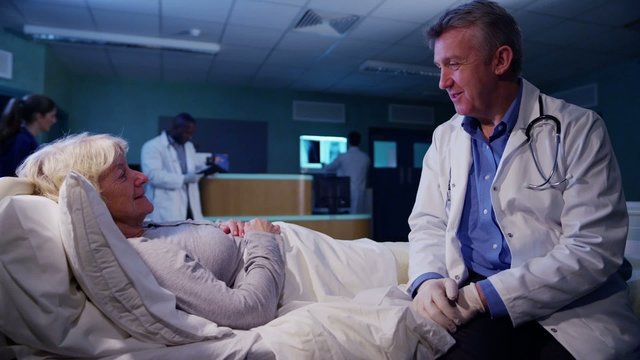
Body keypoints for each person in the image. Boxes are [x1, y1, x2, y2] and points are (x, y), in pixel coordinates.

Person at [407, 1, 640, 359]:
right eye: (440, 67)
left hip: (572, 309)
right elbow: (428, 223)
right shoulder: (446, 138)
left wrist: (484, 296)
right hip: (474, 301)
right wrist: (425, 280)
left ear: (500, 61)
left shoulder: (578, 128)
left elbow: (593, 247)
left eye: (454, 64)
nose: (443, 82)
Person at [17, 133, 284, 330]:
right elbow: (249, 312)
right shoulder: (144, 256)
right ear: (93, 200)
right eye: (122, 174)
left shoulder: (140, 232)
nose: (142, 177)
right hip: (281, 254)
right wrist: (262, 240)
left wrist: (226, 230)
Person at [141, 112, 205, 222]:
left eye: (191, 133)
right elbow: (152, 176)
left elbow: (192, 166)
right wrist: (183, 179)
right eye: (187, 132)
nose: (190, 137)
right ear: (175, 128)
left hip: (190, 207)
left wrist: (205, 169)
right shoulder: (152, 146)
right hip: (166, 209)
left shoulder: (189, 146)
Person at [0, 94, 57, 177]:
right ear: (39, 116)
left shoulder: (24, 139)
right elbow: (16, 174)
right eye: (52, 116)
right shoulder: (22, 141)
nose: (54, 121)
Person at [323, 131, 370, 214]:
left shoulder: (343, 156)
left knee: (347, 214)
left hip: (347, 191)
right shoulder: (365, 157)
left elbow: (329, 168)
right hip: (360, 191)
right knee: (358, 214)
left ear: (349, 141)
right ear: (359, 142)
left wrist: (324, 165)